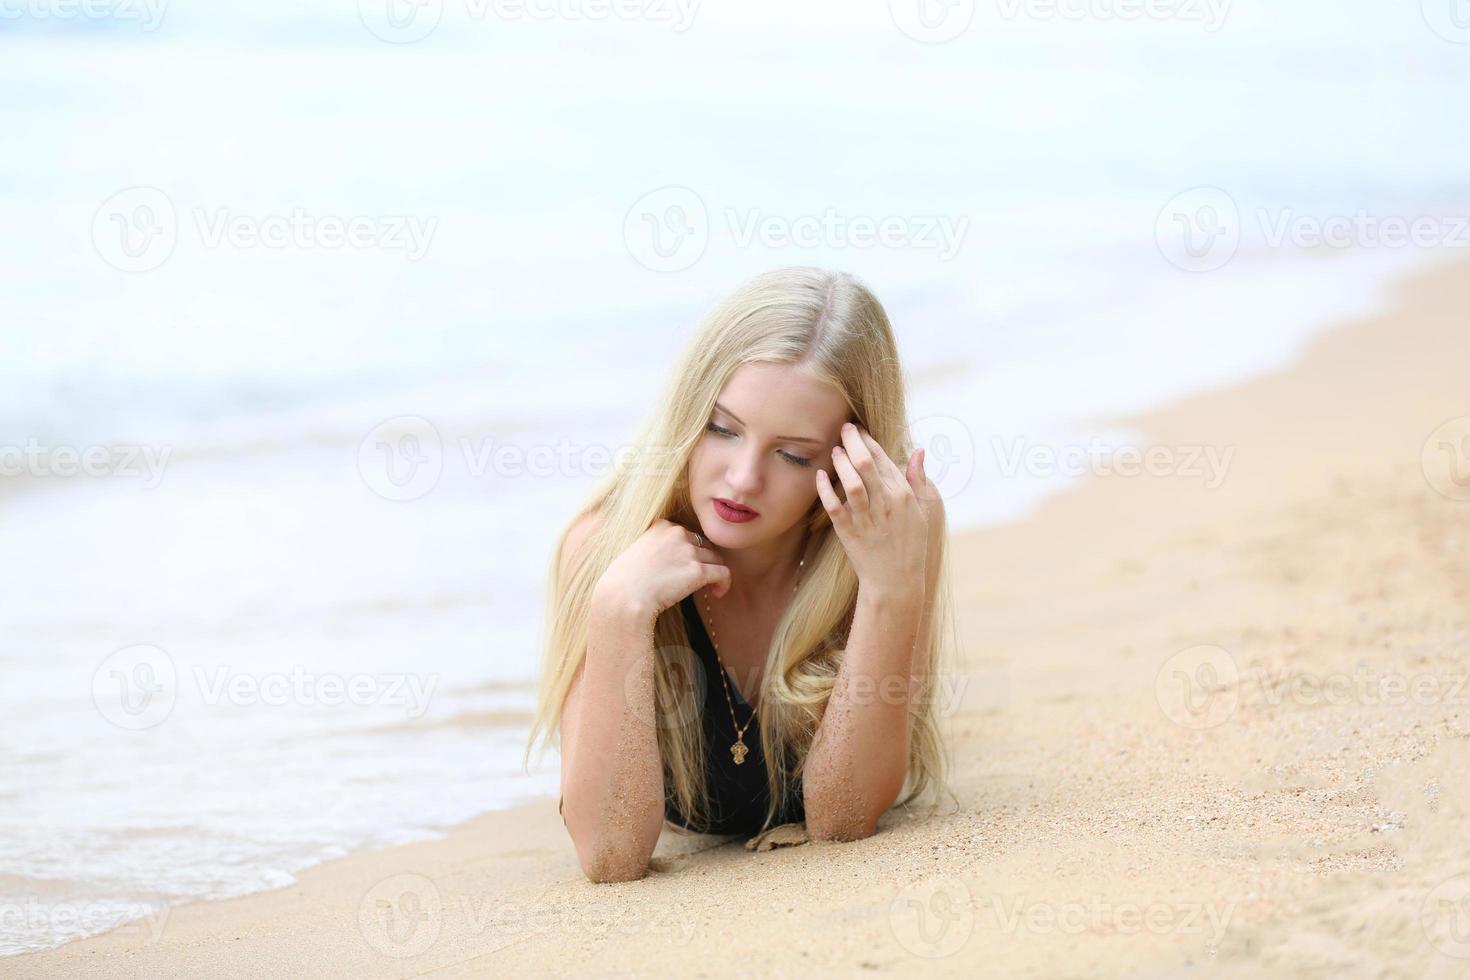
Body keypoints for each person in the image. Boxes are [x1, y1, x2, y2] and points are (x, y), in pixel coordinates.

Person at [523, 267, 956, 883]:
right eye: (722, 429)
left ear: (850, 456)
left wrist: (889, 588)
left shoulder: (896, 524)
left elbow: (843, 817)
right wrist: (620, 609)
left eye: (792, 454)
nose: (743, 478)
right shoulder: (602, 546)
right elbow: (610, 854)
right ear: (686, 414)